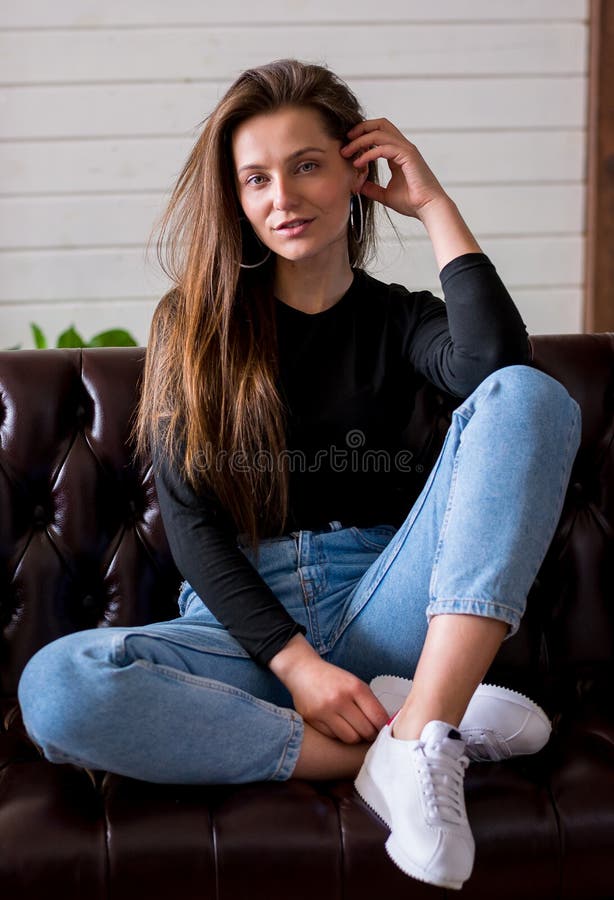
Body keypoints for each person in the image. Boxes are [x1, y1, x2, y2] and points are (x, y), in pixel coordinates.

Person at [17, 59, 581, 890]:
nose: (283, 197)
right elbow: (192, 523)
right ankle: (401, 738)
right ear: (237, 200)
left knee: (532, 396)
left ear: (356, 173)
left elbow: (498, 366)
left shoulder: (402, 320)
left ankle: (422, 717)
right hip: (239, 632)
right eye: (256, 178)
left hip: (383, 600)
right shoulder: (193, 324)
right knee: (56, 688)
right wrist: (295, 666)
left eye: (308, 165)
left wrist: (433, 205)